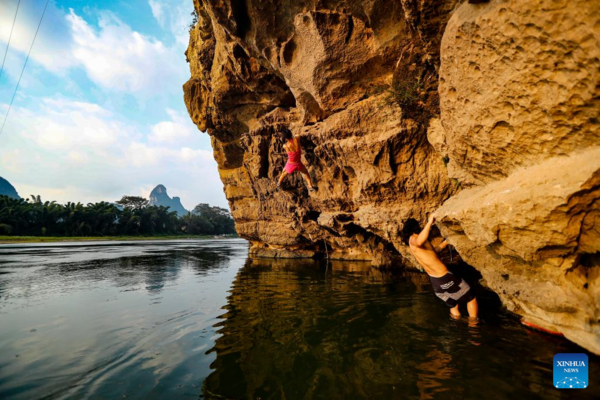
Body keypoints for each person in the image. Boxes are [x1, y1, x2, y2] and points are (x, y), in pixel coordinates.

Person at [402, 215, 478, 319]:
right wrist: (429, 223)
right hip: (445, 277)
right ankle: (473, 326)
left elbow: (433, 252)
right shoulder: (414, 239)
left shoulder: (413, 245)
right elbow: (419, 241)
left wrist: (446, 242)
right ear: (415, 227)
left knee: (454, 304)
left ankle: (457, 326)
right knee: (471, 297)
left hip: (436, 283)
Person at [277, 128, 316, 192]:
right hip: (298, 163)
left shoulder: (285, 146)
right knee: (306, 173)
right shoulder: (296, 139)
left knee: (283, 173)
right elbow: (298, 135)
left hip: (291, 163)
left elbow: (287, 149)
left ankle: (279, 184)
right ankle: (310, 186)